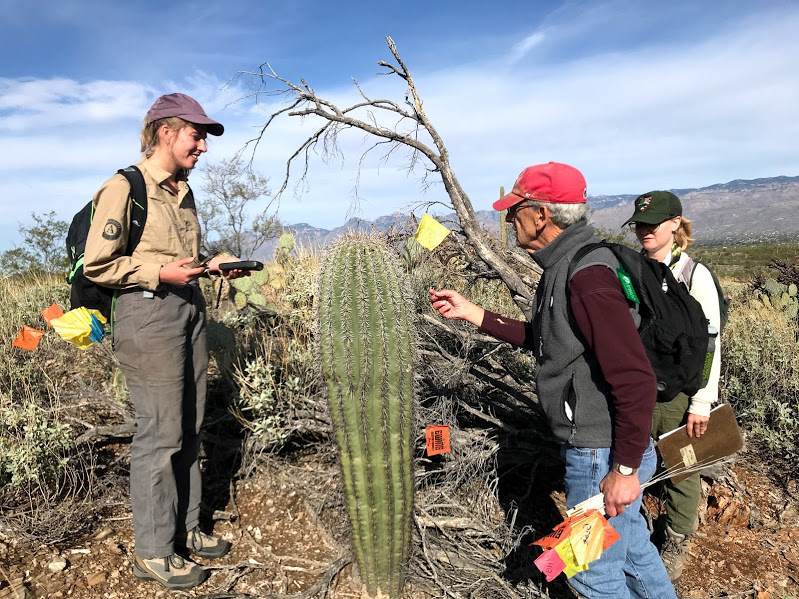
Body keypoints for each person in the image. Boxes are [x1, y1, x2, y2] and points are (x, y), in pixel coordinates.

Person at [430, 162, 676, 598]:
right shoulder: (567, 265)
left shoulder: (586, 275)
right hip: (609, 450)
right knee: (635, 552)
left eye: (515, 209)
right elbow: (547, 338)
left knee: (591, 574)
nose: (509, 219)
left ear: (541, 215)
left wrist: (622, 470)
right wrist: (474, 313)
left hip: (602, 456)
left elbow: (635, 378)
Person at [84, 93, 248, 590]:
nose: (203, 146)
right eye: (196, 135)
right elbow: (98, 262)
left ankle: (188, 528)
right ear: (165, 133)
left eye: (203, 137)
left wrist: (210, 264)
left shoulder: (183, 190)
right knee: (160, 433)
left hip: (188, 306)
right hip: (146, 312)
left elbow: (182, 257)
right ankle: (155, 551)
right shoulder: (124, 186)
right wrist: (160, 271)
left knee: (191, 422)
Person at [624, 191, 721, 581]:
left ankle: (678, 537)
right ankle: (634, 529)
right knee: (630, 459)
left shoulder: (694, 276)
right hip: (635, 388)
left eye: (654, 223)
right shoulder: (630, 270)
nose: (645, 230)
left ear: (675, 224)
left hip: (678, 392)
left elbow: (711, 341)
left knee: (682, 466)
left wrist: (701, 401)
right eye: (640, 224)